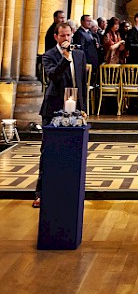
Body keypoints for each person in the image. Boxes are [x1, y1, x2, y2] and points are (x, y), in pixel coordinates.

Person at [34, 21, 87, 207]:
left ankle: (68, 190)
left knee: (73, 149)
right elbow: (54, 77)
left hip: (74, 108)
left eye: (69, 35)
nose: (66, 38)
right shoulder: (49, 55)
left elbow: (82, 83)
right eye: (62, 35)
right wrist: (64, 58)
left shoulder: (80, 55)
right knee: (48, 151)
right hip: (54, 107)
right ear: (56, 37)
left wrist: (84, 107)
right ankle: (41, 193)